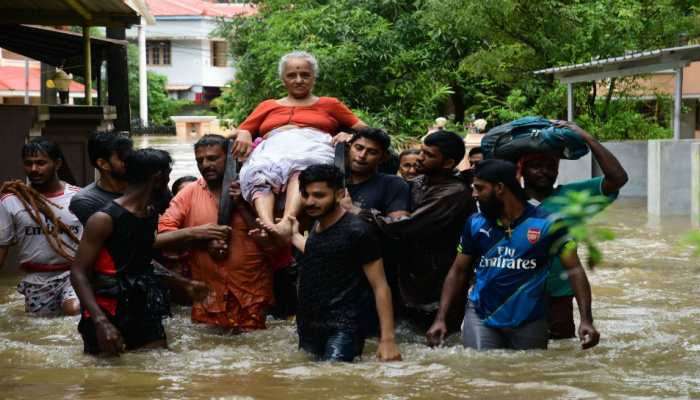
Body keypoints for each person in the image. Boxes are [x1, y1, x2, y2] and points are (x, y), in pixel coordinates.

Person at [426, 159, 600, 351]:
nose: (474, 194)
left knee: (526, 376)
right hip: (482, 315)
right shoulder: (475, 223)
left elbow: (574, 270)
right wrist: (440, 318)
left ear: (499, 188)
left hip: (530, 318)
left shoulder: (549, 223)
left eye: (479, 188)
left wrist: (586, 320)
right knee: (481, 371)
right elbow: (458, 270)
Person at [233, 51, 368, 237]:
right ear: (283, 79)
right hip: (272, 150)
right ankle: (267, 224)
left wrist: (348, 134)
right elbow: (244, 128)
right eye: (292, 75)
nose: (298, 80)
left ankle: (288, 221)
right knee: (259, 172)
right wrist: (245, 133)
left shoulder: (330, 104)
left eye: (305, 75)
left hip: (312, 148)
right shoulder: (267, 105)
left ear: (314, 78)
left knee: (302, 167)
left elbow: (365, 130)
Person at [278, 164, 401, 362]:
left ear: (339, 195)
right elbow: (319, 252)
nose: (310, 202)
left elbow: (380, 287)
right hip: (309, 326)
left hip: (344, 328)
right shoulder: (319, 225)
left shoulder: (358, 231)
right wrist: (292, 235)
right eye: (305, 195)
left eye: (319, 195)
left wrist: (387, 340)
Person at [518, 120, 628, 339]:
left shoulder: (573, 196)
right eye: (536, 165)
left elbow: (618, 178)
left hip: (558, 299)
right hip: (514, 296)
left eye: (551, 166)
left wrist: (586, 137)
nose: (545, 171)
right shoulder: (508, 199)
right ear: (522, 169)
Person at [157, 134, 274, 331]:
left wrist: (244, 206)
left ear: (229, 159)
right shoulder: (189, 193)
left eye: (212, 158)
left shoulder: (254, 188)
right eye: (200, 160)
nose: (205, 165)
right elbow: (162, 236)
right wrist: (200, 237)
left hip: (251, 294)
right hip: (209, 297)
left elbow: (274, 240)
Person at [361, 131, 475, 331]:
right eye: (422, 151)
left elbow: (408, 226)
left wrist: (361, 212)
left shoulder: (454, 193)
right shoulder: (419, 182)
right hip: (408, 278)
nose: (420, 158)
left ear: (448, 163)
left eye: (429, 155)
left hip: (438, 283)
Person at [70, 148, 173, 356]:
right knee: (106, 381)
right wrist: (101, 322)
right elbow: (78, 273)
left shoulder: (150, 213)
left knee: (155, 366)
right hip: (107, 308)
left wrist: (182, 282)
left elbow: (142, 261)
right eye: (168, 173)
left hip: (142, 304)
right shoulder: (103, 219)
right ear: (159, 177)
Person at [0, 138, 82, 316]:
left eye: (41, 163)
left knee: (74, 309)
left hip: (74, 274)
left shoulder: (79, 198)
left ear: (57, 163)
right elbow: (2, 247)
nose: (34, 169)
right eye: (28, 164)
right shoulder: (11, 201)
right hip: (36, 280)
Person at [343, 128, 410, 219]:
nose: (362, 155)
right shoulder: (332, 180)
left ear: (383, 158)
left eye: (372, 152)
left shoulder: (393, 185)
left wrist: (354, 210)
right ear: (349, 148)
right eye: (358, 148)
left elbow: (399, 226)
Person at [69, 131, 133, 225]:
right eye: (124, 158)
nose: (132, 161)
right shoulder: (85, 201)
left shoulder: (143, 186)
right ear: (103, 164)